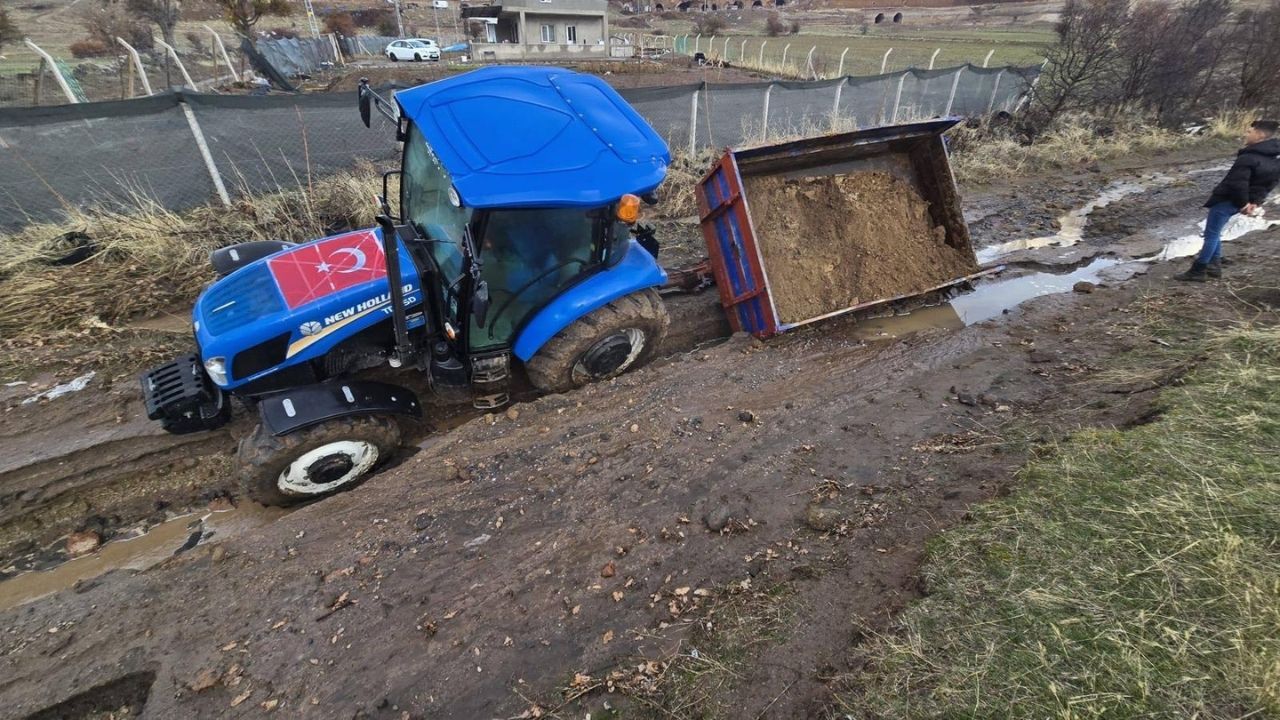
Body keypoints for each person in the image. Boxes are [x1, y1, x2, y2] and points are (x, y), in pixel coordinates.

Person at [1177, 120, 1280, 282]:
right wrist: (1254, 202)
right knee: (1215, 232)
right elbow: (1268, 184)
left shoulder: (1248, 157)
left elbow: (1237, 183)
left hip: (1227, 200)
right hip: (1242, 202)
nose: (1245, 134)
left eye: (1249, 131)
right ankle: (1214, 266)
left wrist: (1244, 203)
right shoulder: (1275, 158)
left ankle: (1198, 270)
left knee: (1210, 235)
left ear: (1260, 135)